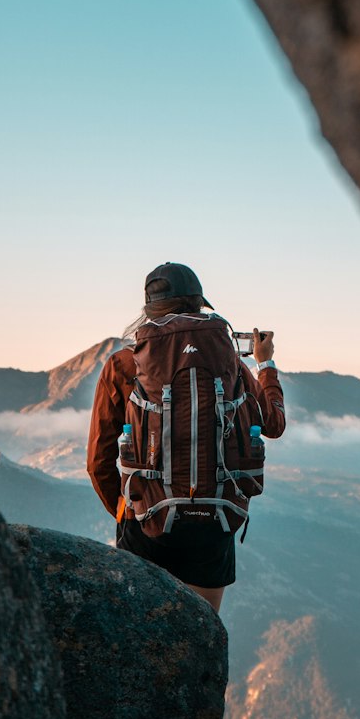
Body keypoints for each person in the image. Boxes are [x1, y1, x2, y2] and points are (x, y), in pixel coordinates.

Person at [87, 262, 286, 614]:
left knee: (140, 633)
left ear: (149, 309)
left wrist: (126, 511)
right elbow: (273, 424)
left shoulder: (124, 364)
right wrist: (265, 365)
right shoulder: (230, 365)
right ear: (198, 304)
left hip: (146, 523)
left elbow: (98, 461)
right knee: (201, 635)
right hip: (214, 522)